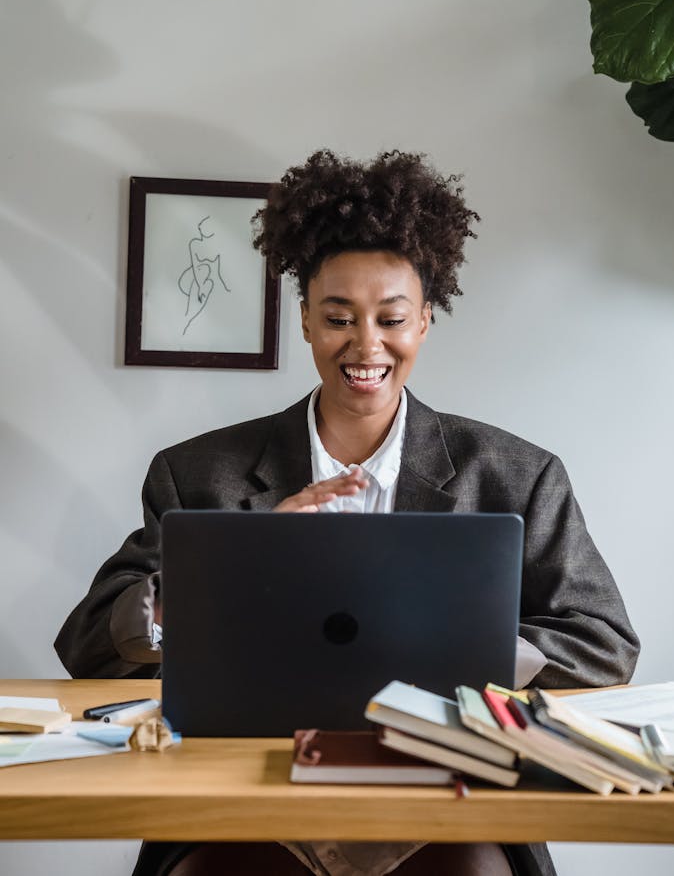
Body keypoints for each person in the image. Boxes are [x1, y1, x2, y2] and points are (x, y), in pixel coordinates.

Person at [55, 150, 640, 876]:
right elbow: (88, 645)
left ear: (425, 321)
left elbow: (606, 643)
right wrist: (242, 563)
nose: (366, 346)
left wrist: (474, 649)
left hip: (451, 803)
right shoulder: (198, 473)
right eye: (338, 317)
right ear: (304, 320)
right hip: (244, 805)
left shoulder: (516, 475)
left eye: (391, 318)